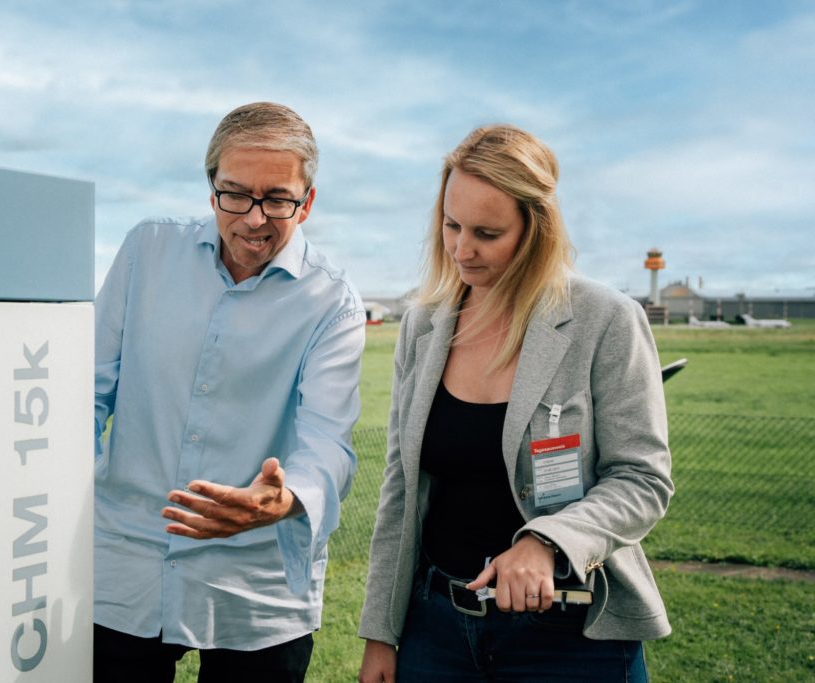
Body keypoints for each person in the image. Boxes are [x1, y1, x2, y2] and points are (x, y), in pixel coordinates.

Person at [357, 124, 674, 682]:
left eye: (487, 232)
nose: (461, 249)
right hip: (437, 631)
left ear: (536, 229)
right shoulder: (423, 325)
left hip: (570, 640)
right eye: (451, 225)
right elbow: (401, 489)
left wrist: (547, 542)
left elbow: (641, 480)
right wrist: (381, 632)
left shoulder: (606, 321)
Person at [93, 102, 365, 682]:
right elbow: (85, 395)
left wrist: (285, 500)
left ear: (308, 202)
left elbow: (328, 444)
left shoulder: (334, 303)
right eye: (235, 194)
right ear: (211, 189)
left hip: (257, 587)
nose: (254, 219)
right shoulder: (145, 251)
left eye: (278, 199)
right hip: (125, 564)